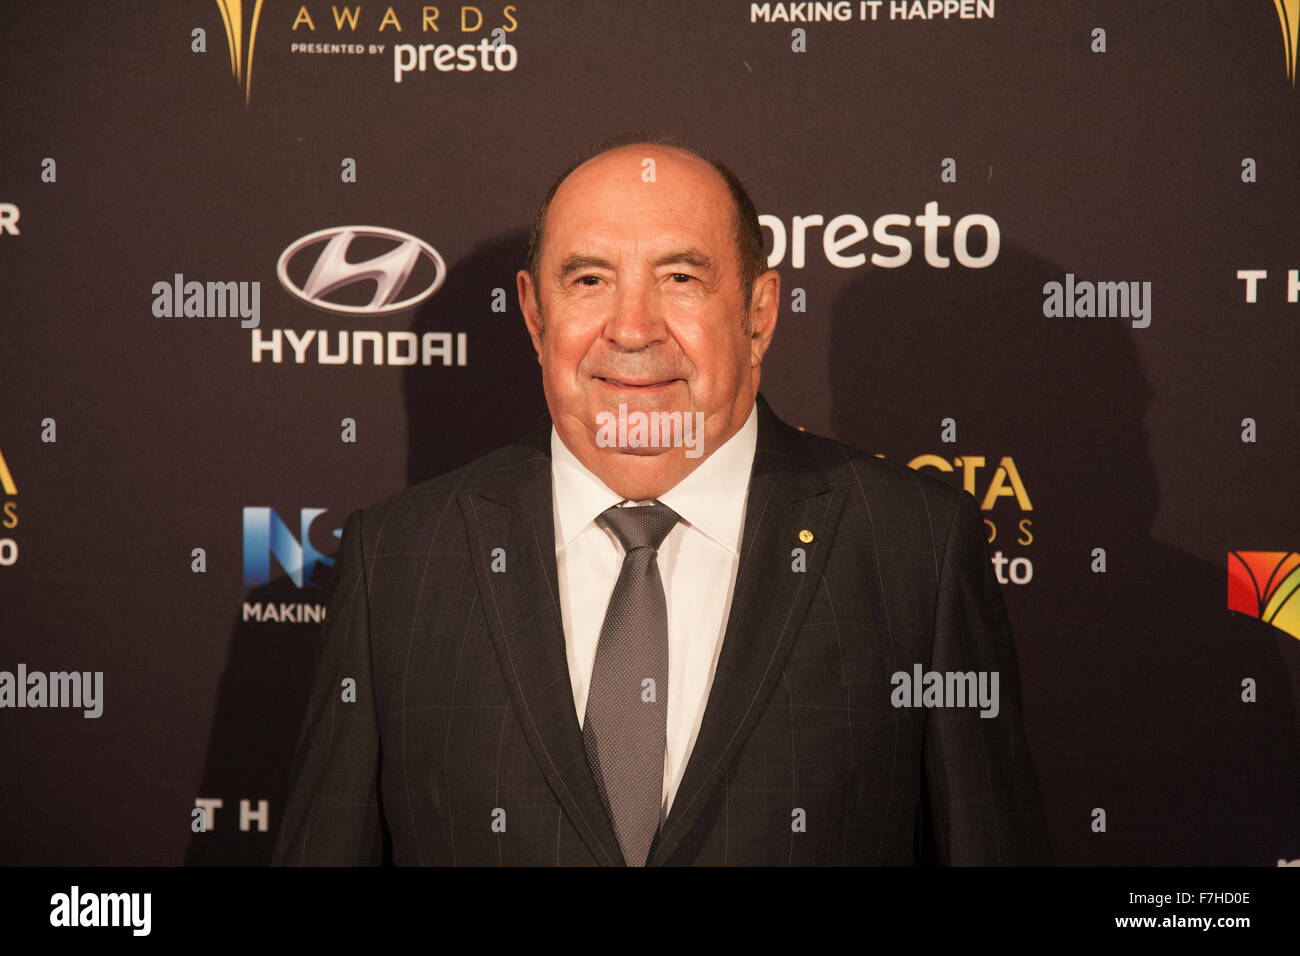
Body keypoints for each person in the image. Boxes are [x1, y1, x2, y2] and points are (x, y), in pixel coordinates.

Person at [273, 133, 1051, 866]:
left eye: (680, 277)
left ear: (759, 312)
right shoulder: (399, 561)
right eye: (589, 280)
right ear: (536, 315)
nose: (634, 329)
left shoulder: (914, 546)